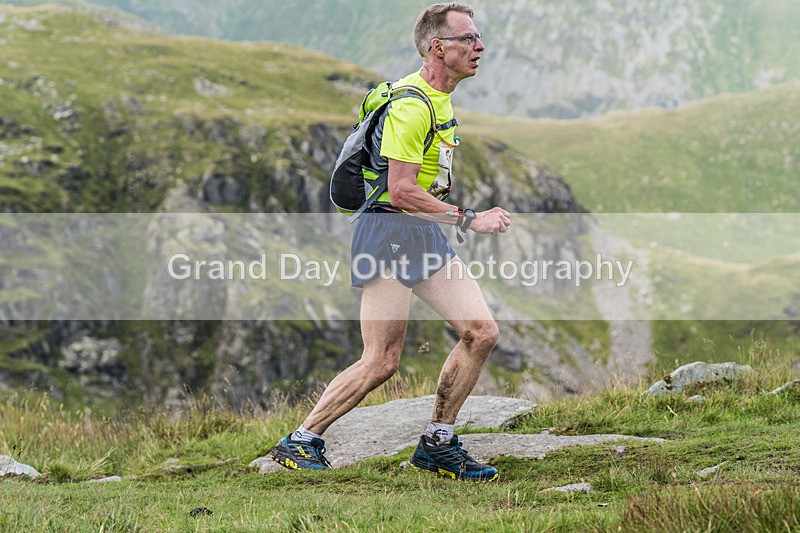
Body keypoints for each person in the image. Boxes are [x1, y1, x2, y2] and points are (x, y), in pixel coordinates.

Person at [267, 2, 511, 482]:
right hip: (388, 230)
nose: (480, 47)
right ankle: (302, 440)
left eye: (479, 39)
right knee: (381, 360)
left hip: (419, 232)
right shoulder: (409, 107)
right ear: (439, 48)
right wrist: (469, 219)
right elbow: (399, 190)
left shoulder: (436, 96)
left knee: (481, 332)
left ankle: (438, 444)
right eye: (469, 39)